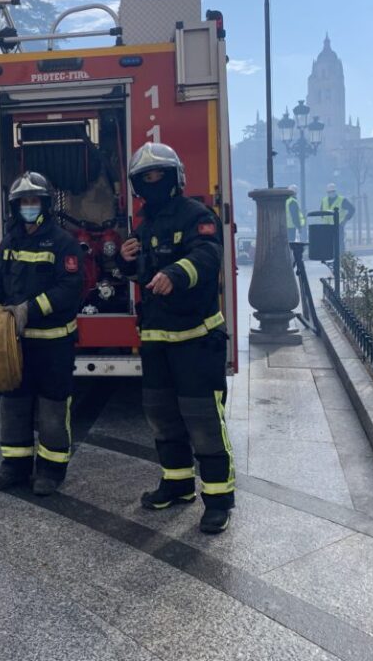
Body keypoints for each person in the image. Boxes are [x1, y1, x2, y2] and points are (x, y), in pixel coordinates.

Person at [116, 142, 235, 534]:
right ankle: (178, 484)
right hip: (156, 340)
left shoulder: (197, 215)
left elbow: (208, 255)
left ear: (175, 178)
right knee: (162, 417)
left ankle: (218, 500)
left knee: (203, 420)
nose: (152, 183)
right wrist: (125, 260)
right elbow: (141, 274)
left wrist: (177, 273)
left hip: (196, 340)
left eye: (158, 175)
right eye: (145, 178)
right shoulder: (144, 225)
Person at [0, 171, 83, 496]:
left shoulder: (63, 242)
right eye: (23, 201)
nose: (28, 206)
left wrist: (30, 309)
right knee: (13, 405)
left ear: (45, 204)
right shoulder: (9, 242)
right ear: (15, 206)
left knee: (53, 409)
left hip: (54, 344)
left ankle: (51, 472)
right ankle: (14, 467)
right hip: (15, 344)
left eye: (34, 201)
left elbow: (69, 288)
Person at [321, 183, 356, 256]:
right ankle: (332, 257)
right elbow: (321, 212)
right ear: (327, 192)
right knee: (329, 243)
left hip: (339, 225)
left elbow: (352, 209)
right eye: (330, 192)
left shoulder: (342, 200)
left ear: (335, 191)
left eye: (333, 191)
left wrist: (345, 220)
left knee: (339, 243)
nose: (331, 193)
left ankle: (341, 257)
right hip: (327, 226)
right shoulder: (324, 200)